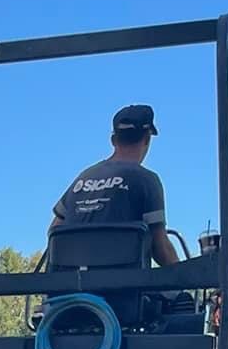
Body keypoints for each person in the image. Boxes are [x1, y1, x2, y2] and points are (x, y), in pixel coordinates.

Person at [50, 105, 180, 267]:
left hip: (70, 286)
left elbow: (55, 230)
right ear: (147, 139)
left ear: (113, 140)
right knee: (179, 293)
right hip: (125, 289)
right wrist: (186, 278)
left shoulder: (83, 178)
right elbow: (160, 248)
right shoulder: (147, 180)